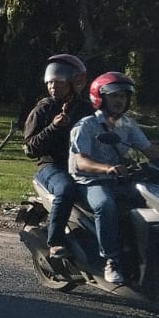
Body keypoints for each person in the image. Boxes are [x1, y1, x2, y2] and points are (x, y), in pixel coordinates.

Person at [68, 71, 159, 287]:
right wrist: (106, 168)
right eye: (113, 96)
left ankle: (148, 258)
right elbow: (79, 161)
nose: (119, 100)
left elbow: (149, 149)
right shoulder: (87, 125)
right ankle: (112, 260)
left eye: (123, 96)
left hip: (121, 180)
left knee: (154, 204)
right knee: (106, 205)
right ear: (100, 98)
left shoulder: (128, 125)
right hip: (90, 181)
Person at [21, 53, 92, 256]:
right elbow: (30, 149)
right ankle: (56, 242)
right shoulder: (43, 109)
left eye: (59, 81)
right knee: (66, 189)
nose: (53, 86)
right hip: (50, 167)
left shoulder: (87, 110)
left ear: (73, 82)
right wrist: (53, 127)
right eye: (50, 81)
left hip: (83, 166)